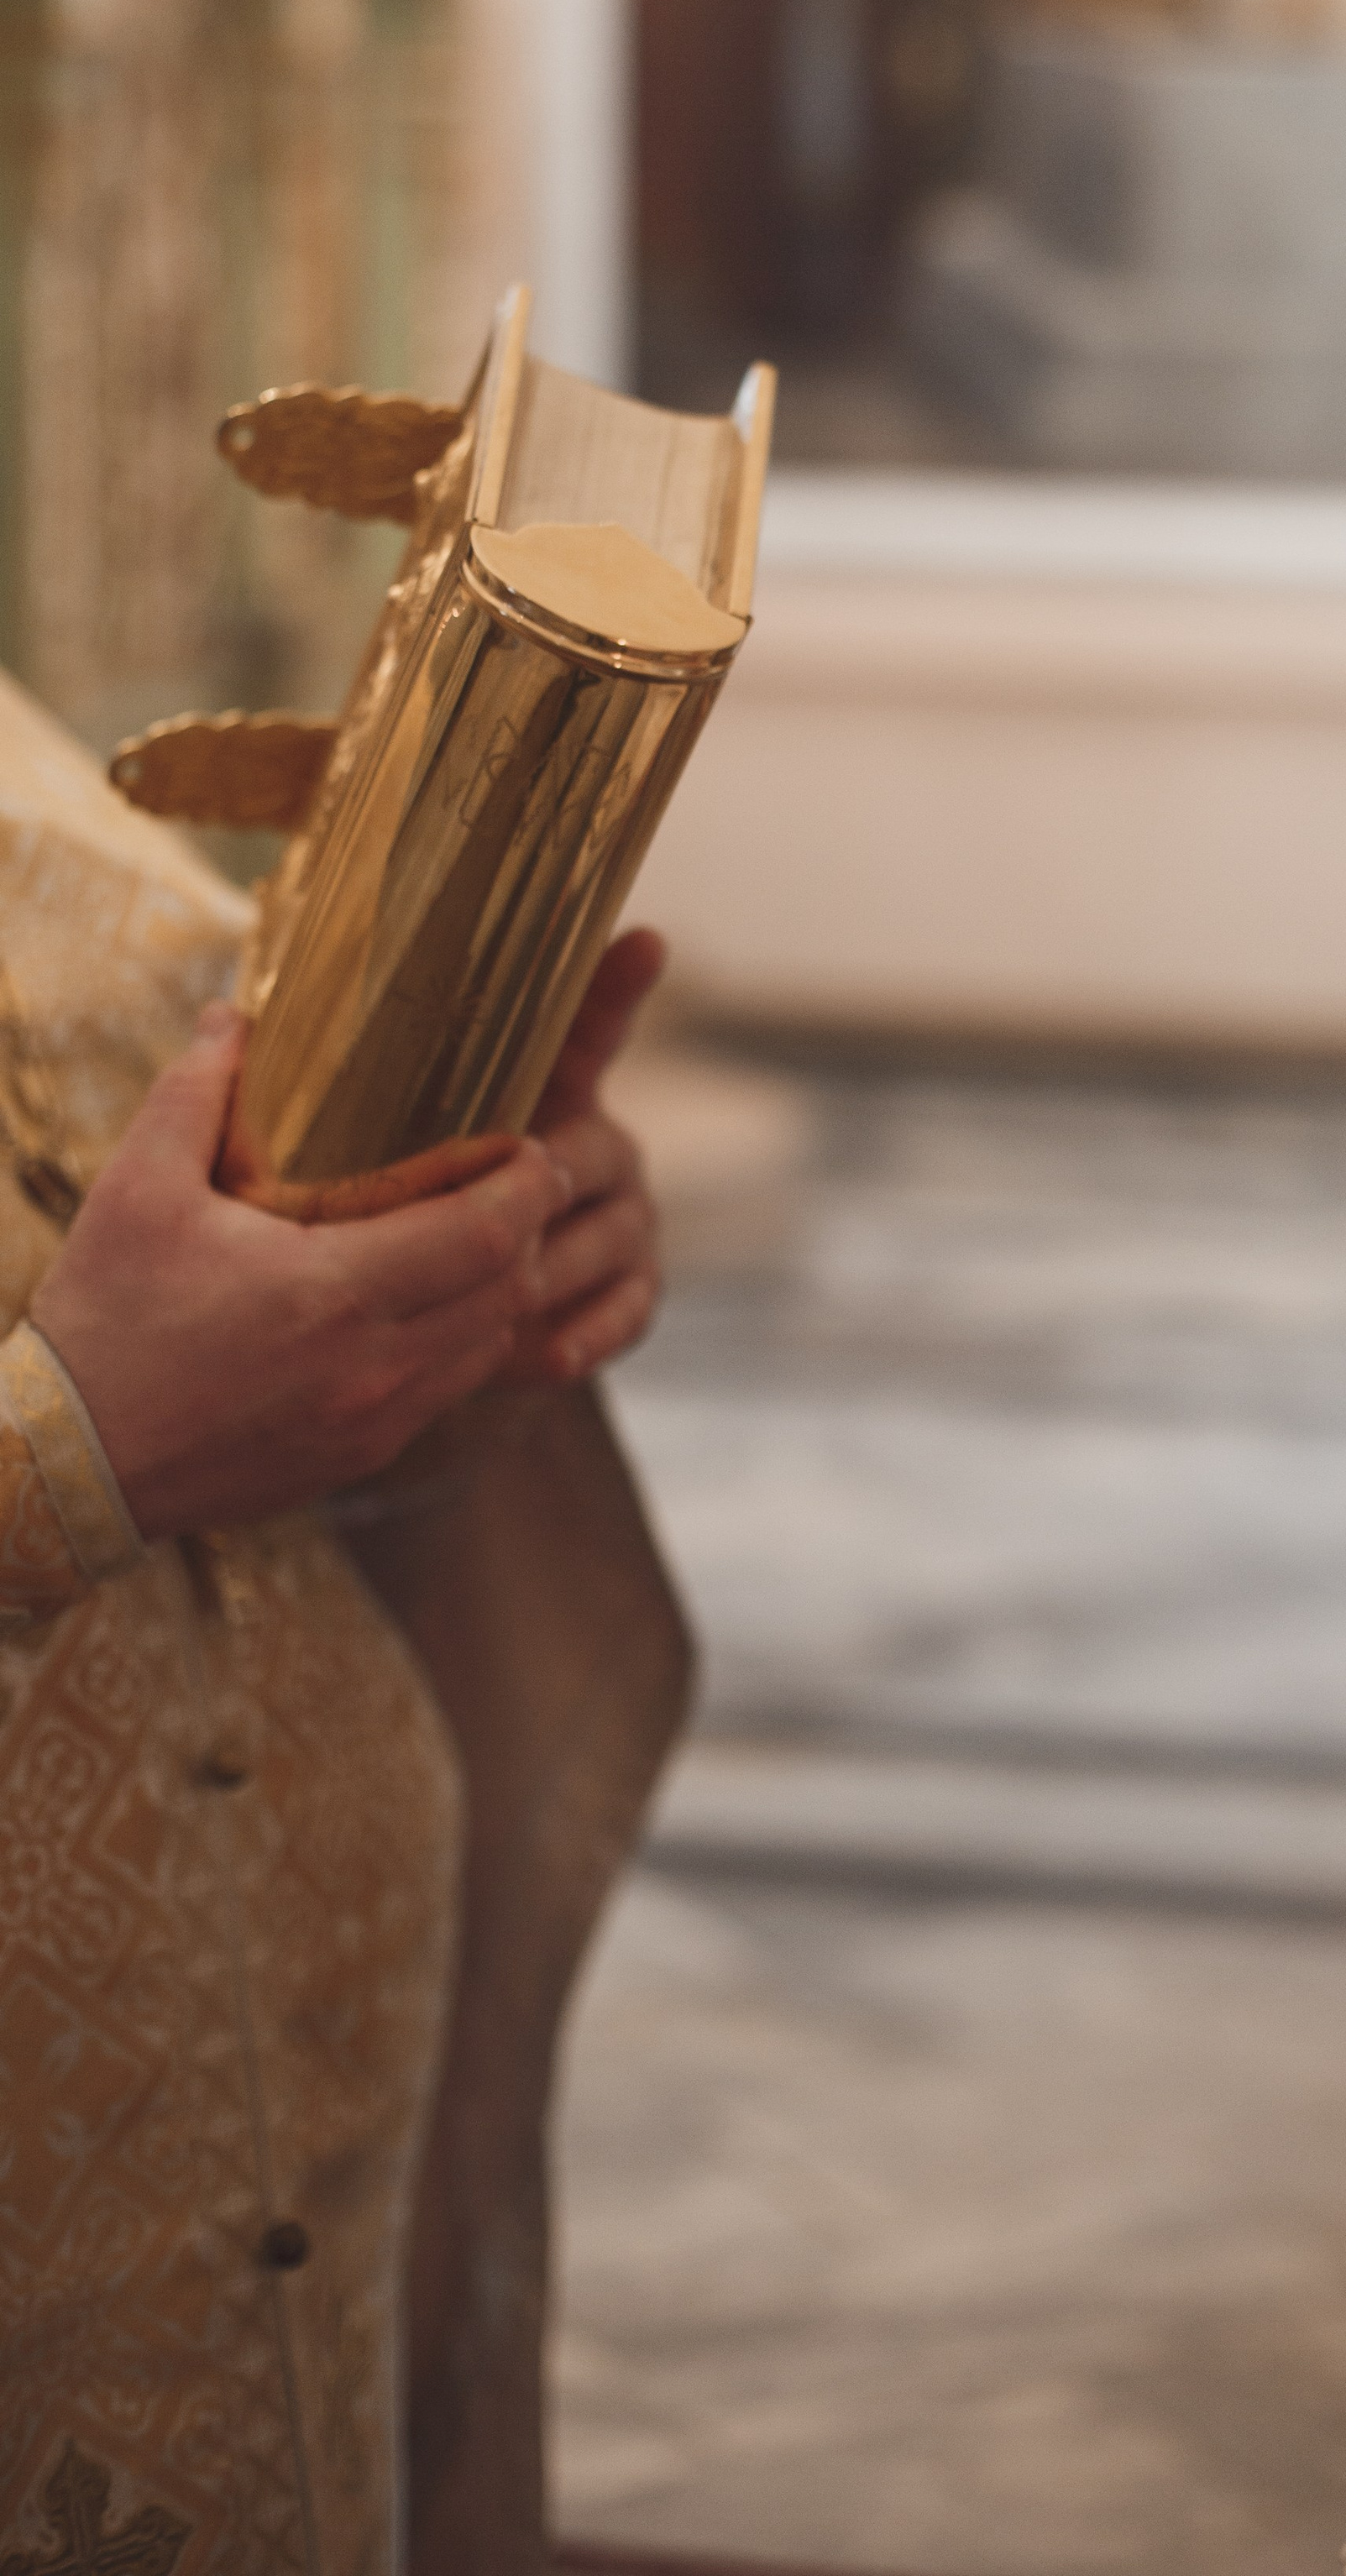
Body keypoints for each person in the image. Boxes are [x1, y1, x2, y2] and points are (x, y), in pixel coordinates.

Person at [0, 657, 689, 2572]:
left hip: (275, 2167)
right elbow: (99, 1415)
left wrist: (463, 1273)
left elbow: (195, 1307)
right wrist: (68, 1454)